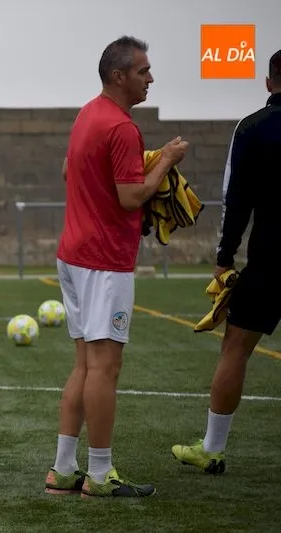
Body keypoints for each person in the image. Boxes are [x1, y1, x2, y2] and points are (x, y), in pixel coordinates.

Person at [43, 36, 189, 498]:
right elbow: (130, 197)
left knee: (85, 364)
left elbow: (71, 173)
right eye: (143, 70)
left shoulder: (88, 113)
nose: (150, 78)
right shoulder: (123, 127)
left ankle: (63, 470)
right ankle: (101, 475)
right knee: (106, 368)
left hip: (73, 254)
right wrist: (164, 160)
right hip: (103, 261)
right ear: (119, 76)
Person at [171, 49, 281, 474]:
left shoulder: (253, 127)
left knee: (235, 348)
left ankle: (213, 450)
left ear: (269, 82)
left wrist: (224, 257)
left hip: (271, 259)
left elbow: (236, 198)